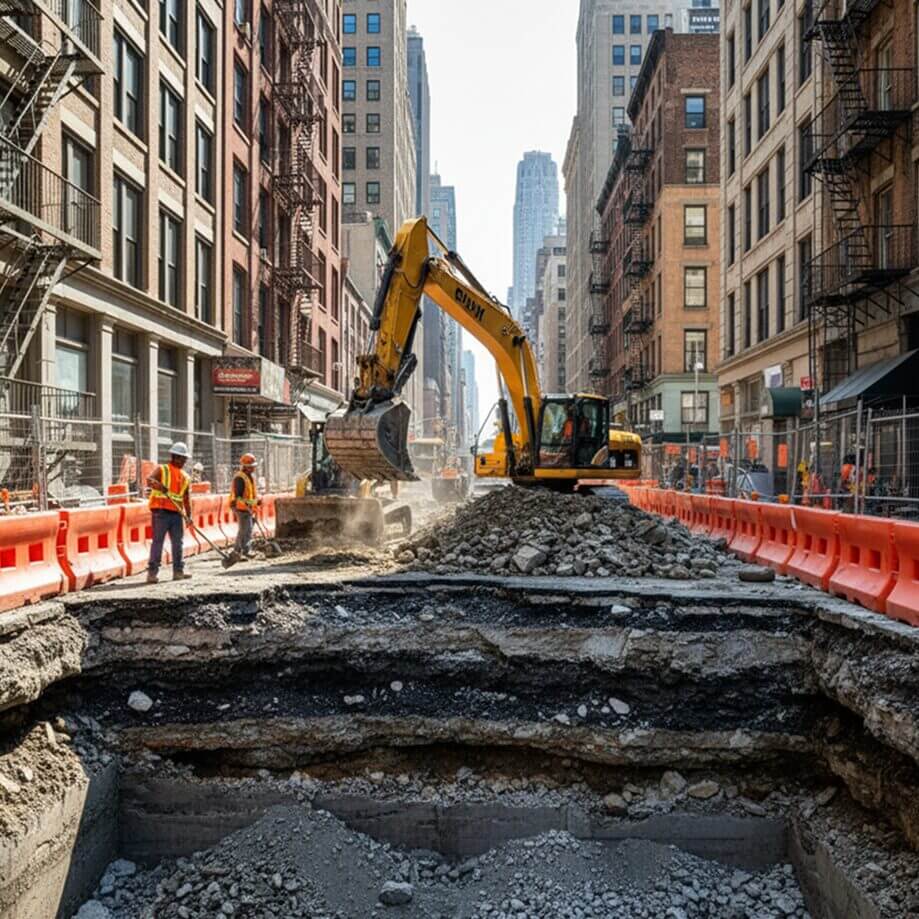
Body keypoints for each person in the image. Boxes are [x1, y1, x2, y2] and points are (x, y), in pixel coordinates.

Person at [146, 442, 193, 584]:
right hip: (161, 512)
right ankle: (152, 573)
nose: (185, 461)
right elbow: (149, 481)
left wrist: (189, 516)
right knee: (158, 542)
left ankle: (178, 571)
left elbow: (186, 498)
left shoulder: (185, 477)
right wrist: (159, 486)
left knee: (178, 543)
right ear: (176, 457)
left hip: (177, 514)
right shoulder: (162, 469)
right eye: (183, 458)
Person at [229, 453, 260, 558]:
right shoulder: (240, 478)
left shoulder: (249, 477)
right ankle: (242, 551)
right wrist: (249, 505)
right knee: (245, 529)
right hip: (240, 507)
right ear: (246, 466)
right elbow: (239, 497)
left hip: (247, 507)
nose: (254, 468)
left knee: (247, 529)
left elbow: (250, 495)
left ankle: (239, 551)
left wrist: (254, 504)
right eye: (252, 466)